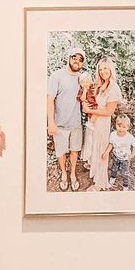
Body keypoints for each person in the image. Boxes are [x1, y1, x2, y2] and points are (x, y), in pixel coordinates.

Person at [46, 48, 86, 191]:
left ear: (82, 64)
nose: (77, 61)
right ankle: (64, 173)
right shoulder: (57, 76)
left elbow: (85, 99)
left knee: (75, 151)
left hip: (76, 124)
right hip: (60, 124)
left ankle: (73, 174)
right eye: (75, 57)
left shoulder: (82, 78)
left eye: (81, 59)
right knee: (61, 151)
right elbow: (50, 99)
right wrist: (51, 122)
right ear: (69, 58)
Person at [83, 57, 124, 191]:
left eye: (105, 68)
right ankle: (94, 171)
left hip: (102, 124)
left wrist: (90, 110)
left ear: (111, 69)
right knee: (94, 147)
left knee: (101, 150)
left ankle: (100, 183)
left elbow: (108, 111)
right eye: (100, 69)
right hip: (94, 122)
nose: (102, 72)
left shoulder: (114, 88)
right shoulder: (101, 85)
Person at [103, 113, 135, 190]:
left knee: (125, 173)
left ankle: (125, 185)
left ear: (128, 127)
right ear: (115, 124)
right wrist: (106, 152)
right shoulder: (113, 134)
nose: (121, 128)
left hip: (125, 159)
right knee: (114, 168)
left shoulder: (129, 137)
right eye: (119, 126)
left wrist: (131, 155)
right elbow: (111, 144)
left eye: (124, 127)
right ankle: (113, 177)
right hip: (116, 156)